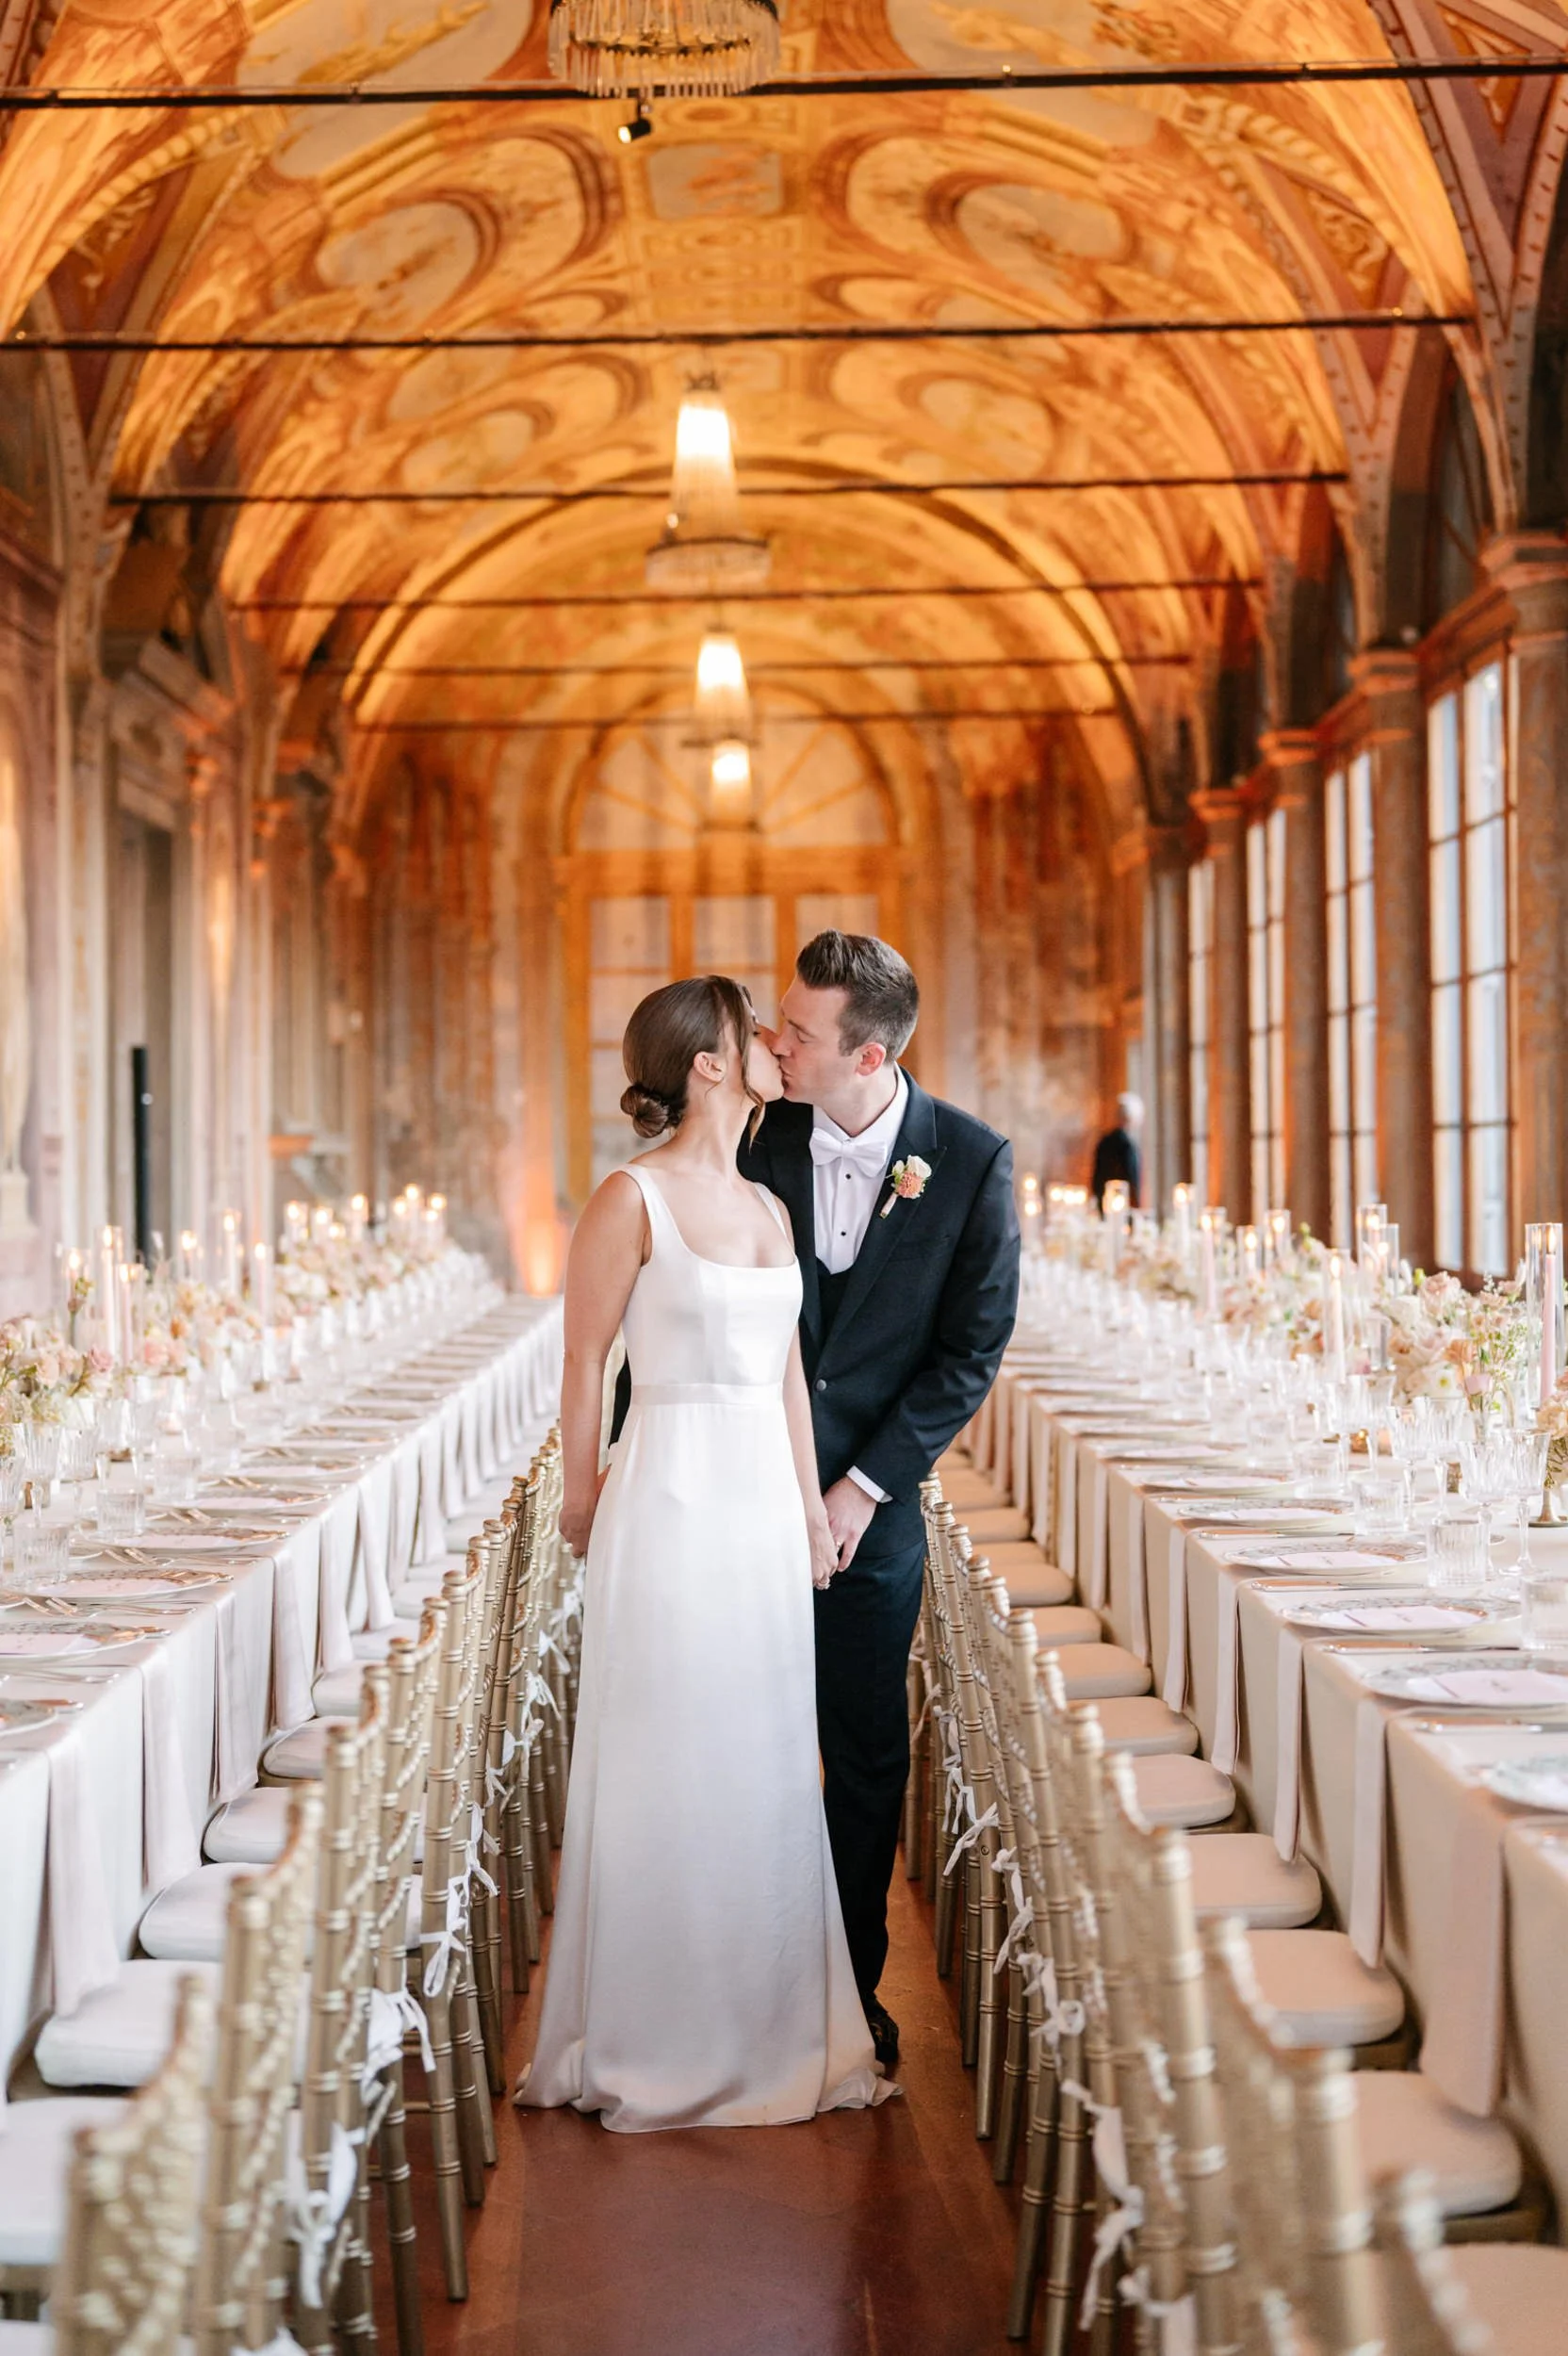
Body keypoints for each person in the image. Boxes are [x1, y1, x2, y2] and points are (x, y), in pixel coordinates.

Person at [519, 973, 892, 2132]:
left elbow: (785, 1374)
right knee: (666, 1757)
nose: (778, 1046)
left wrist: (805, 1515)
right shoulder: (626, 1200)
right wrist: (580, 1497)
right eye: (755, 1034)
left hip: (754, 1517)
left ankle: (767, 2027)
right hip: (667, 1494)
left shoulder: (768, 1209)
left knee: (766, 1763)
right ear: (712, 1065)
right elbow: (583, 1364)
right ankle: (650, 2032)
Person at [739, 932, 1020, 2071]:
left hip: (875, 1504)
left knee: (858, 1750)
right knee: (739, 1739)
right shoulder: (757, 1134)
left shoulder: (969, 1160)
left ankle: (844, 1995)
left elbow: (970, 1348)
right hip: (739, 1488)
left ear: (866, 1055)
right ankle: (739, 1980)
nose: (774, 1044)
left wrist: (858, 1490)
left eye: (797, 1033)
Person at [1090, 1090, 1143, 1209]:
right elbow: (1132, 1179)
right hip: (1121, 1206)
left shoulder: (1105, 1141)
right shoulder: (1127, 1145)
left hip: (1105, 1203)